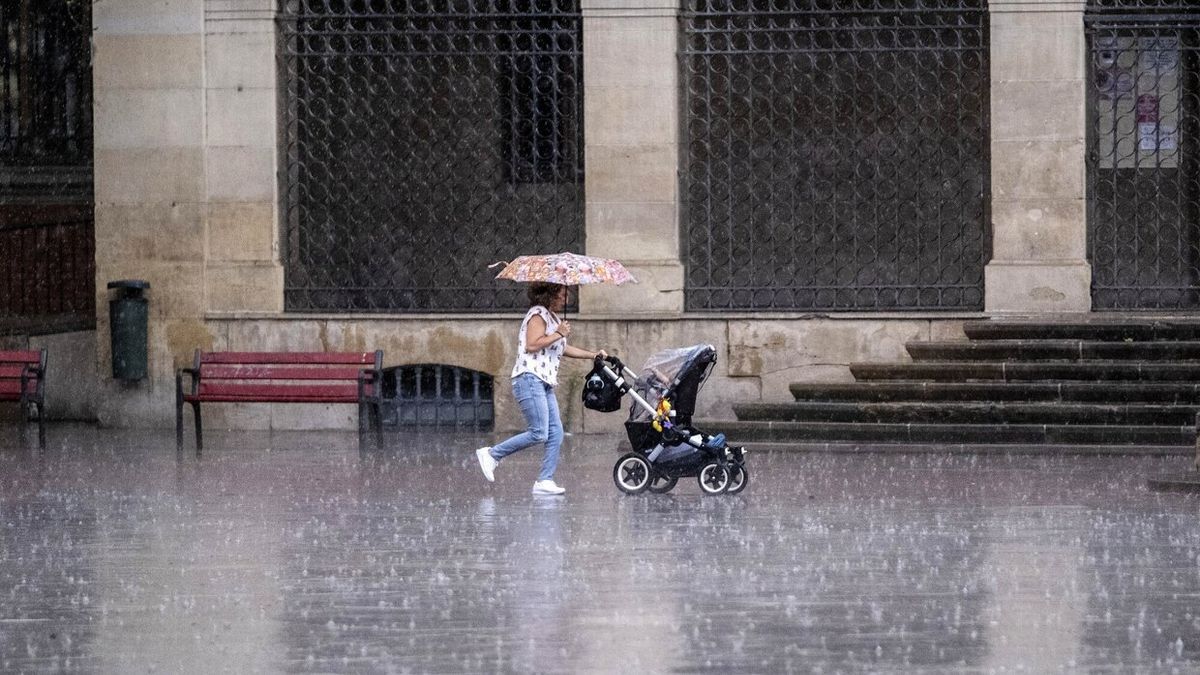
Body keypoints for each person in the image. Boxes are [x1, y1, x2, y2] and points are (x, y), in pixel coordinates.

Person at [475, 282, 607, 495]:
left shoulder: (553, 318)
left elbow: (564, 348)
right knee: (539, 433)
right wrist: (559, 333)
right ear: (550, 295)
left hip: (543, 382)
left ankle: (545, 480)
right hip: (529, 379)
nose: (567, 299)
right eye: (563, 295)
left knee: (556, 433)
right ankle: (492, 454)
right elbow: (532, 344)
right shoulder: (537, 315)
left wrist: (593, 355)